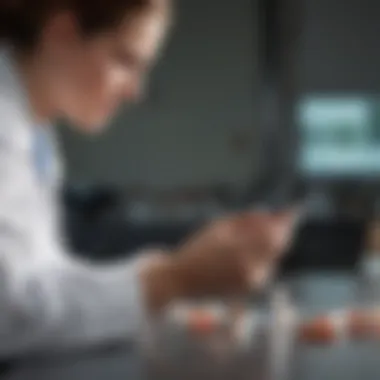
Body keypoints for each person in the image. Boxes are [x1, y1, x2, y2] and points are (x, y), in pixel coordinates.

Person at [0, 0, 294, 358]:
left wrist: (172, 280)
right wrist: (173, 279)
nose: (135, 91)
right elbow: (10, 313)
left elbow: (44, 282)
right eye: (125, 60)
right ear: (62, 33)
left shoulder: (35, 131)